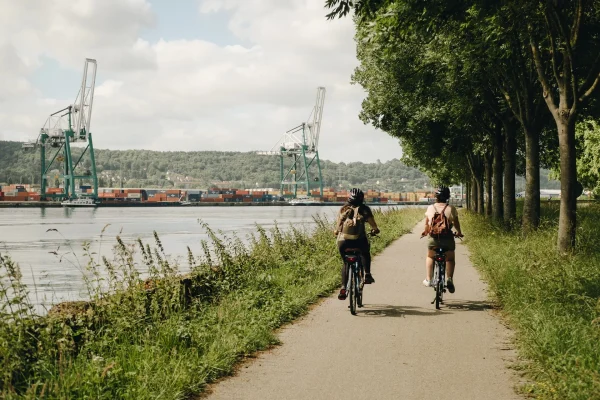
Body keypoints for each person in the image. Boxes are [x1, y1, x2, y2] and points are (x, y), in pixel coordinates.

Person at [334, 188, 380, 300]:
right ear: (362, 199)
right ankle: (367, 274)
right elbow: (374, 226)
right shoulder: (365, 209)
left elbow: (337, 229)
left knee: (346, 263)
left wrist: (336, 233)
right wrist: (375, 230)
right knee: (365, 253)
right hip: (359, 241)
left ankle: (344, 287)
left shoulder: (343, 209)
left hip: (343, 242)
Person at [421, 186, 463, 293]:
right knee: (450, 259)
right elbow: (456, 223)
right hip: (447, 239)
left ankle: (429, 279)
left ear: (436, 196)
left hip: (433, 239)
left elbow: (427, 224)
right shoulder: (451, 208)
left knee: (430, 256)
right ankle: (449, 279)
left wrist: (425, 232)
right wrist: (459, 232)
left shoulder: (430, 208)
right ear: (447, 196)